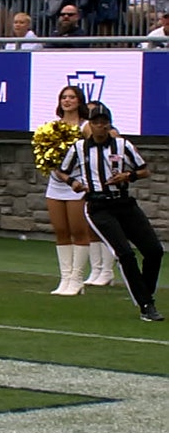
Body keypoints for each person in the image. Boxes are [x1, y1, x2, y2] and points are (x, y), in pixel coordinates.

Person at [57, 103, 163, 322]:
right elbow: (61, 170)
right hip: (98, 206)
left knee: (154, 250)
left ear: (109, 125)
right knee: (125, 253)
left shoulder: (123, 145)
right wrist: (74, 182)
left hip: (124, 203)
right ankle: (146, 305)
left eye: (104, 123)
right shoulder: (79, 148)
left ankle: (144, 291)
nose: (100, 127)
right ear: (90, 125)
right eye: (95, 122)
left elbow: (144, 170)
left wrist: (128, 176)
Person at [46, 86, 94, 296]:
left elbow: (92, 156)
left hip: (78, 184)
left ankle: (77, 278)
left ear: (79, 101)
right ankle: (65, 278)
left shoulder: (86, 127)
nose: (67, 101)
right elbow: (45, 153)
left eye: (72, 97)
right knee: (61, 231)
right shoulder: (52, 127)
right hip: (55, 183)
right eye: (63, 97)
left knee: (78, 231)